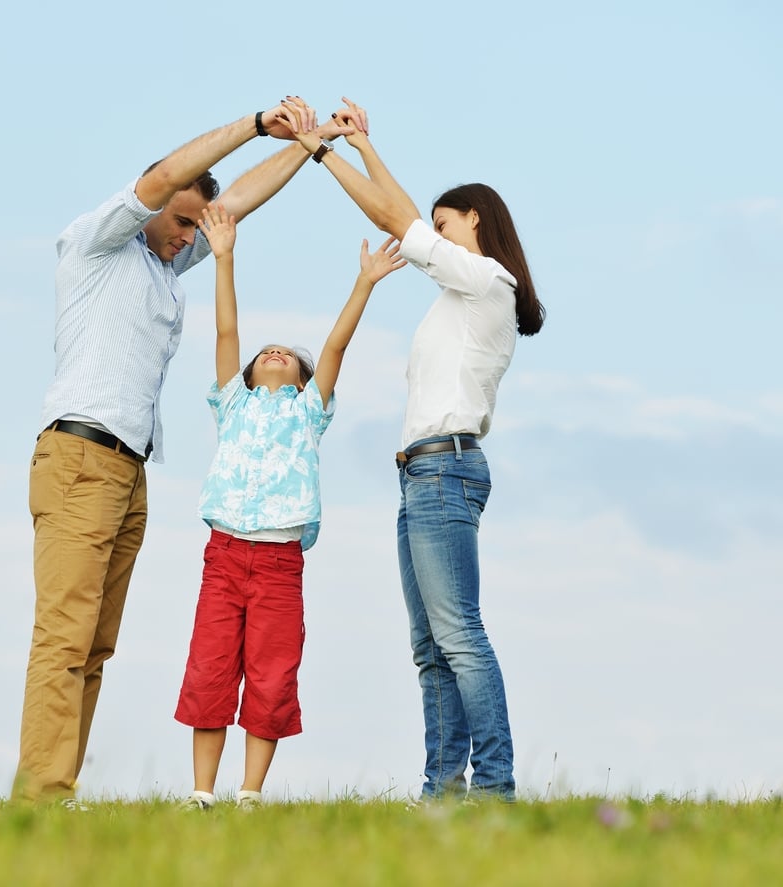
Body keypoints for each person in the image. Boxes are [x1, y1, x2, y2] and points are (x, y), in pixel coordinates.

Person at [13, 99, 349, 804]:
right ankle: (40, 797)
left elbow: (238, 205)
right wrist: (257, 124)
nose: (189, 237)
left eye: (197, 228)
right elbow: (171, 172)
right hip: (79, 457)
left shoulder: (166, 264)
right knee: (64, 638)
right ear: (154, 205)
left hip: (127, 470)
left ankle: (57, 789)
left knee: (94, 647)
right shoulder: (100, 242)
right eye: (181, 221)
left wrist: (311, 146)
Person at [280, 97, 545, 802]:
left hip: (445, 469)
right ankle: (442, 789)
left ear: (476, 222)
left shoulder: (488, 281)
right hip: (420, 475)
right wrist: (362, 145)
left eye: (447, 221)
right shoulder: (458, 296)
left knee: (459, 636)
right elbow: (404, 215)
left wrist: (326, 151)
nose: (436, 232)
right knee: (431, 649)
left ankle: (493, 787)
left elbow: (397, 219)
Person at [174, 202, 406, 810]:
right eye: (266, 352)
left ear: (304, 380)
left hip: (278, 565)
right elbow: (227, 332)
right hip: (224, 558)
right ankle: (202, 792)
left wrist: (363, 282)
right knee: (210, 669)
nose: (275, 352)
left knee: (272, 676)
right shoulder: (235, 405)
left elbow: (335, 346)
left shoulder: (308, 412)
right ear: (248, 375)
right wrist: (223, 258)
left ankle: (249, 793)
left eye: (288, 354)